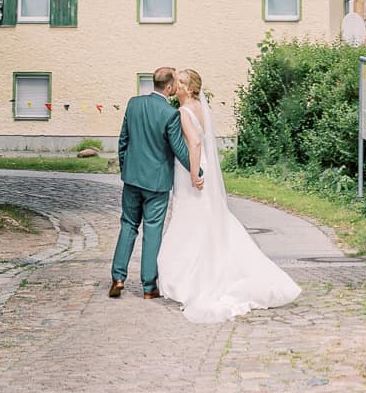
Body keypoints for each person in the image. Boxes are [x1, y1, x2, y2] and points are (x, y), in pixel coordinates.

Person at [157, 67, 301, 323]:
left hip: (194, 168)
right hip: (205, 167)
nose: (176, 86)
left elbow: (195, 143)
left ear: (190, 88)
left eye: (180, 82)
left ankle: (191, 279)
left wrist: (193, 172)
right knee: (209, 217)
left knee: (192, 220)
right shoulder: (200, 108)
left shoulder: (183, 111)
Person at [109, 64, 203, 299]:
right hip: (157, 183)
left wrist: (126, 168)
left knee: (128, 225)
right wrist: (198, 170)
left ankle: (118, 277)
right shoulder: (169, 113)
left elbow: (123, 141)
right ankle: (149, 287)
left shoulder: (133, 104)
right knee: (152, 231)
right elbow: (179, 148)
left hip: (132, 179)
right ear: (169, 86)